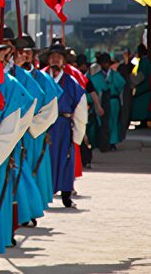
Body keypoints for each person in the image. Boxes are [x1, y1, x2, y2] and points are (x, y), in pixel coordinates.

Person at [0, 32, 35, 255]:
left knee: (0, 195)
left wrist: (1, 145)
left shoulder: (12, 81)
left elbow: (26, 110)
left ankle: (2, 235)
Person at [13, 34, 61, 224]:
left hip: (33, 134)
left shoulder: (41, 78)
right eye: (20, 51)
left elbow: (51, 110)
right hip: (13, 132)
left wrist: (31, 126)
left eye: (27, 52)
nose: (24, 55)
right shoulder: (11, 75)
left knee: (32, 172)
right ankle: (21, 211)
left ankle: (31, 210)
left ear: (34, 54)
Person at [41, 42, 88, 208]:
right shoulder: (40, 78)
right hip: (43, 126)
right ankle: (43, 194)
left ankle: (66, 195)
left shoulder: (71, 82)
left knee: (66, 159)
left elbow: (80, 106)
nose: (55, 60)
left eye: (59, 57)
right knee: (43, 160)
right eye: (52, 57)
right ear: (48, 60)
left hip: (63, 125)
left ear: (64, 61)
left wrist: (78, 130)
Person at [88, 52, 126, 151]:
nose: (105, 65)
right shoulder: (96, 77)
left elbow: (121, 85)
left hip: (113, 101)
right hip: (101, 100)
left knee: (113, 121)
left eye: (106, 63)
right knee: (102, 121)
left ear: (109, 63)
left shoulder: (115, 75)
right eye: (103, 63)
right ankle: (104, 141)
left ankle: (112, 142)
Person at [130, 44, 151, 127]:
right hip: (144, 88)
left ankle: (143, 122)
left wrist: (132, 79)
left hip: (144, 89)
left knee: (142, 107)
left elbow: (141, 76)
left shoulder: (144, 62)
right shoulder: (145, 61)